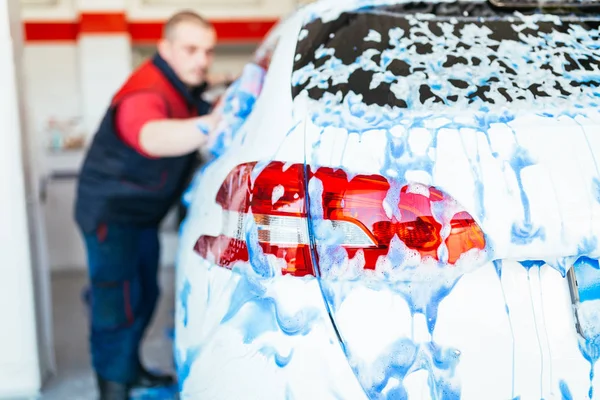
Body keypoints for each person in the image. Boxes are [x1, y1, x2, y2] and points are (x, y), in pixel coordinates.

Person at [74, 10, 223, 400]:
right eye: (191, 50)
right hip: (113, 215)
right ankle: (113, 390)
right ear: (165, 48)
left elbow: (202, 101)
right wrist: (214, 123)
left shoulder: (183, 86)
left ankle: (131, 371)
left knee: (144, 295)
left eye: (207, 51)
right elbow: (151, 136)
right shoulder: (148, 90)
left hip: (141, 216)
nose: (201, 60)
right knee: (118, 304)